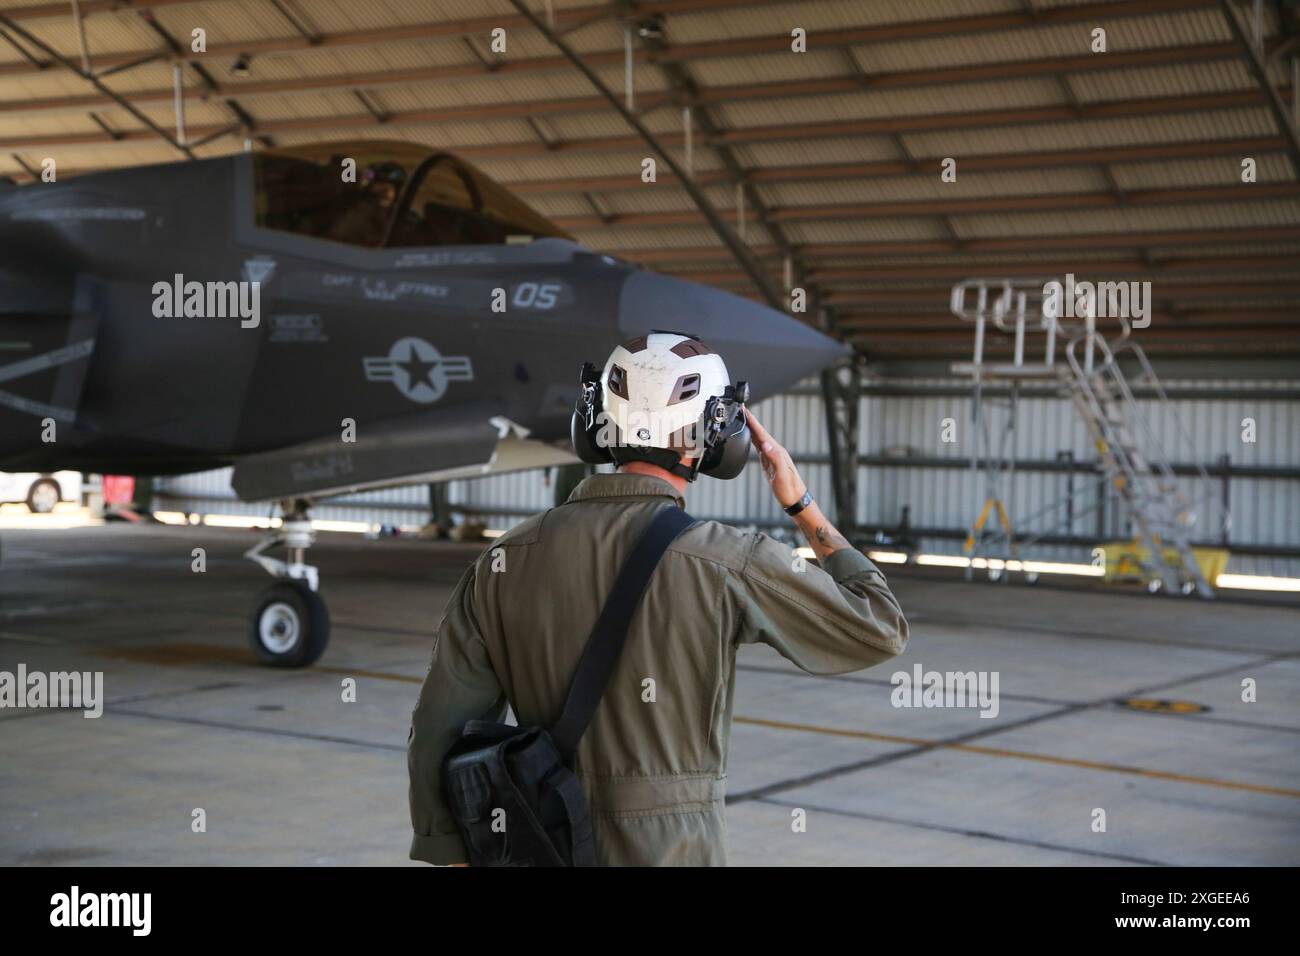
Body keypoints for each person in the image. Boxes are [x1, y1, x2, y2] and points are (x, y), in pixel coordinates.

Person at [407, 332, 909, 866]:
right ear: (714, 435)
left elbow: (440, 727)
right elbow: (877, 626)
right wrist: (802, 504)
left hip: (540, 838)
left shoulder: (503, 561)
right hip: (675, 848)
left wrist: (451, 851)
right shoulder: (728, 560)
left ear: (595, 422)